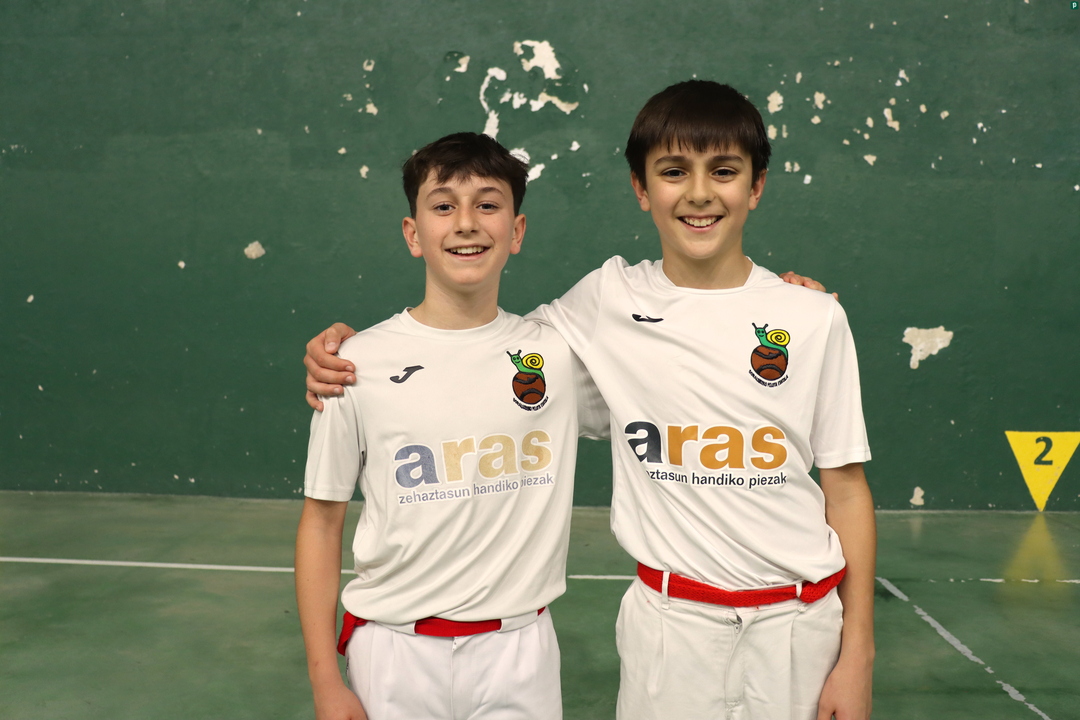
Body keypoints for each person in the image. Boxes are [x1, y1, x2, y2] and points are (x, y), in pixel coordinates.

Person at [305, 80, 874, 720]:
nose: (699, 193)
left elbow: (847, 489)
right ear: (641, 188)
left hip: (800, 627)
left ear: (757, 185)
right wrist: (349, 351)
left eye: (723, 171)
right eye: (673, 172)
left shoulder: (812, 317)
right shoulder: (603, 303)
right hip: (666, 629)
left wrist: (858, 657)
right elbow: (468, 346)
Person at [295, 131, 606, 720]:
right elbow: (322, 521)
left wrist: (774, 302)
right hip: (393, 653)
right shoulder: (353, 364)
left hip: (522, 652)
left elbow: (677, 376)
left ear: (516, 230)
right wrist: (324, 682)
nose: (466, 223)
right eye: (443, 206)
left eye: (487, 204)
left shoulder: (558, 355)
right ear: (413, 234)